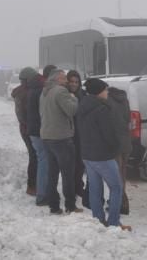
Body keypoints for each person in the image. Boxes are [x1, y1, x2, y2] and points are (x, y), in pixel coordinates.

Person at [78, 78, 130, 230]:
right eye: (105, 90)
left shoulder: (83, 105)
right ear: (99, 92)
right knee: (117, 187)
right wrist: (117, 147)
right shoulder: (102, 109)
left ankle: (98, 220)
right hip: (103, 156)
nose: (107, 92)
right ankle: (114, 222)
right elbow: (109, 134)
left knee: (95, 188)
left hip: (87, 154)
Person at [39, 69, 81, 214]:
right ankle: (70, 205)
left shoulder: (44, 92)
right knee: (68, 174)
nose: (66, 81)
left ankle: (54, 206)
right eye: (64, 78)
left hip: (47, 137)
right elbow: (71, 110)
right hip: (61, 138)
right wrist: (74, 97)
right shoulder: (61, 91)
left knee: (52, 174)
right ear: (57, 79)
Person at [26, 65, 53, 206]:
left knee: (41, 160)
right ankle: (42, 195)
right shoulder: (42, 90)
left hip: (33, 130)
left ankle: (42, 192)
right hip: (39, 131)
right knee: (44, 161)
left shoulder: (33, 88)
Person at [11, 67, 38, 196]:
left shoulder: (20, 92)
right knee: (34, 156)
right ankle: (32, 186)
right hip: (29, 129)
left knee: (34, 156)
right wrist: (31, 126)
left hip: (25, 128)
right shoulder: (25, 93)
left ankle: (33, 185)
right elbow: (21, 114)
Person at [108, 86, 132, 215]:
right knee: (122, 173)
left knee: (116, 175)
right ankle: (122, 203)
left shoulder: (108, 101)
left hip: (116, 143)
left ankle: (120, 204)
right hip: (126, 142)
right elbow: (128, 119)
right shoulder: (125, 100)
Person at [66, 70, 86, 198]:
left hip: (81, 133)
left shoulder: (83, 95)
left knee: (80, 162)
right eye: (72, 82)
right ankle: (71, 189)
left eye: (76, 82)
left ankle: (79, 186)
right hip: (68, 133)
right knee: (70, 163)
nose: (74, 84)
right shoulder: (64, 95)